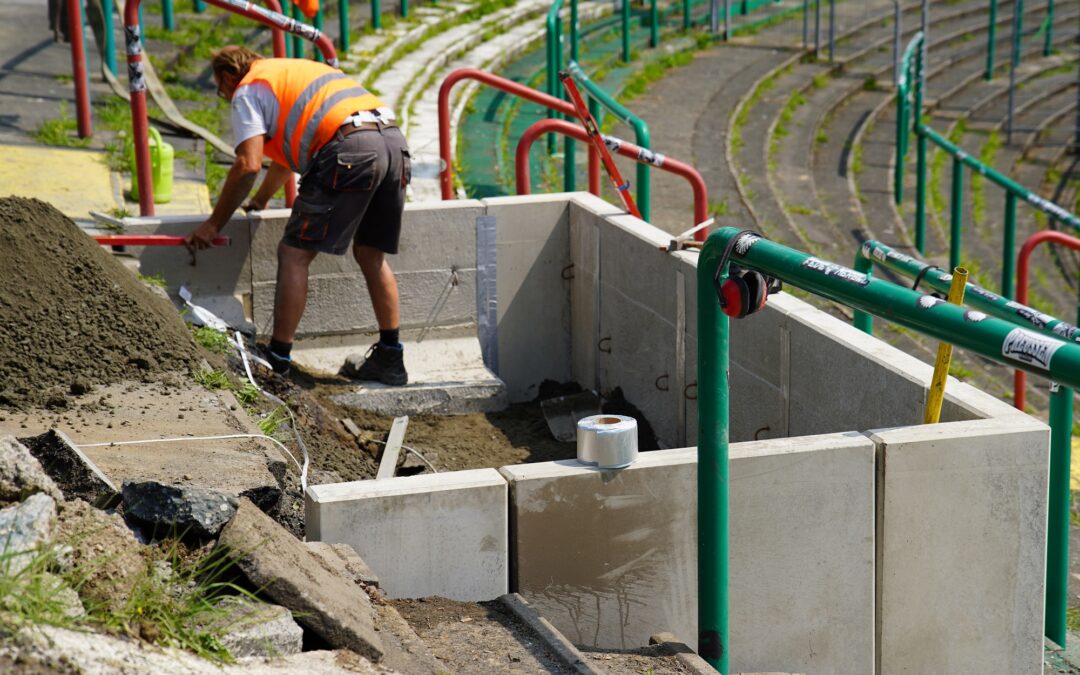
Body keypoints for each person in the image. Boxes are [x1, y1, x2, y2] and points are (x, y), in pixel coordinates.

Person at [185, 46, 410, 385]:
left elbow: (247, 165)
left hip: (349, 149)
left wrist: (213, 223)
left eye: (221, 89)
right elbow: (282, 161)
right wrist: (261, 200)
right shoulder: (290, 71)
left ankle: (277, 359)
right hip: (392, 142)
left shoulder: (247, 90)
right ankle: (391, 358)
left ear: (229, 76)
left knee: (294, 254)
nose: (225, 95)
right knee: (370, 253)